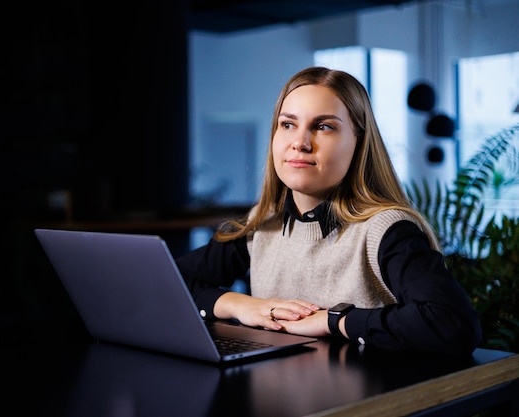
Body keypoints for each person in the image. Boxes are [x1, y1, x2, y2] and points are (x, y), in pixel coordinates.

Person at [175, 66, 482, 355]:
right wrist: (238, 305)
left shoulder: (386, 230)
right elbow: (171, 281)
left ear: (358, 141)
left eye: (323, 127)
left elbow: (452, 324)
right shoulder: (262, 223)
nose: (300, 142)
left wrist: (333, 320)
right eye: (288, 124)